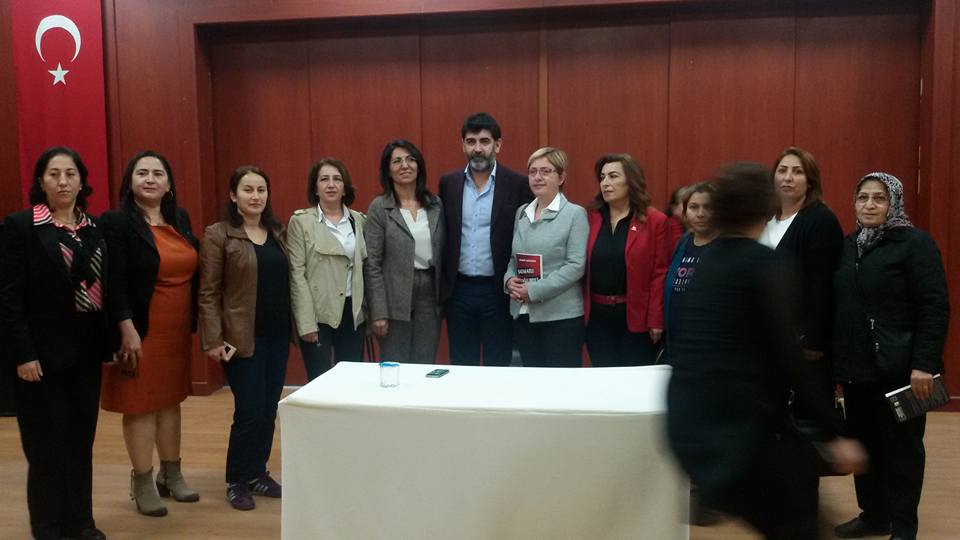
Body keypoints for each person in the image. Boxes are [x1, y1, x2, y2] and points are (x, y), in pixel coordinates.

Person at [666, 162, 866, 540]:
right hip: (739, 436)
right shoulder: (764, 264)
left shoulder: (703, 263)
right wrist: (834, 433)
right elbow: (789, 357)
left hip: (690, 426)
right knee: (798, 518)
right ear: (766, 207)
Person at [0, 147, 110, 540]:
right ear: (41, 182)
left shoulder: (94, 228)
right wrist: (23, 353)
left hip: (86, 353)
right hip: (40, 356)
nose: (63, 181)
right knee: (45, 444)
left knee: (80, 441)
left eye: (70, 174)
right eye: (53, 174)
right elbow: (8, 298)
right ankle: (47, 526)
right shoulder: (20, 226)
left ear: (82, 181)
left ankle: (80, 521)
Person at [832, 173, 949, 540]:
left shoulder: (915, 244)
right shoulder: (848, 245)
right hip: (858, 370)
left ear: (893, 203)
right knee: (865, 445)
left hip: (903, 371)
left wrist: (925, 364)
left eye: (879, 198)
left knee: (903, 451)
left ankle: (903, 527)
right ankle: (874, 516)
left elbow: (934, 306)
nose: (869, 205)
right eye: (863, 197)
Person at [100, 150, 200, 517]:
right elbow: (114, 281)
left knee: (171, 400)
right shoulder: (116, 222)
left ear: (169, 184)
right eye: (142, 173)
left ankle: (171, 474)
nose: (150, 179)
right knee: (140, 404)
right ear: (129, 182)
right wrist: (125, 328)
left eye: (158, 173)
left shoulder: (179, 218)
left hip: (176, 329)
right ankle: (142, 480)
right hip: (140, 329)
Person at [198, 166, 289, 511]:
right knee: (249, 410)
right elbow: (208, 292)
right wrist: (212, 339)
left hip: (277, 334)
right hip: (240, 338)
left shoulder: (277, 232)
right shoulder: (219, 234)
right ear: (233, 195)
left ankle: (257, 473)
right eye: (248, 190)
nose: (256, 196)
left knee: (268, 409)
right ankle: (237, 480)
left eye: (261, 190)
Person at [439, 112, 532, 367]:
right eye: (471, 142)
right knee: (462, 364)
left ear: (497, 145)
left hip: (498, 291)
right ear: (463, 145)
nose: (477, 148)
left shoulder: (517, 184)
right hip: (459, 291)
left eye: (484, 141)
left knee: (498, 364)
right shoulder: (449, 184)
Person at [759, 147, 844, 420]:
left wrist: (813, 339)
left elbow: (823, 285)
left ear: (810, 181)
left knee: (806, 417)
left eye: (797, 172)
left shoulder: (820, 220)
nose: (788, 177)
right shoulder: (764, 219)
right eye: (782, 171)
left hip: (803, 343)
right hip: (766, 336)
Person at [583, 153, 671, 367]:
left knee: (635, 379)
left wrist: (656, 319)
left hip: (636, 318)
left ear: (631, 181)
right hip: (597, 317)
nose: (605, 183)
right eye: (602, 177)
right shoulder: (590, 217)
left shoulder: (654, 221)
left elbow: (660, 273)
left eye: (613, 176)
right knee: (603, 379)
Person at [503, 147, 588, 367]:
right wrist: (509, 280)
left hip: (561, 318)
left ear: (561, 177)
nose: (538, 177)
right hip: (523, 314)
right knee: (532, 383)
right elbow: (514, 258)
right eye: (533, 172)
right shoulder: (522, 213)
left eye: (545, 171)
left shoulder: (575, 214)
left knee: (560, 385)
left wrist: (533, 290)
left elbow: (575, 266)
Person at [364, 140, 444, 363]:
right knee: (395, 362)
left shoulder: (435, 205)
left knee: (424, 362)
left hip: (429, 292)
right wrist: (378, 312)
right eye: (397, 161)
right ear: (388, 170)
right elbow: (372, 263)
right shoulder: (379, 207)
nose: (405, 165)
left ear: (419, 166)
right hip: (393, 294)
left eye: (410, 159)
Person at [288, 158, 367, 379]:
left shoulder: (359, 221)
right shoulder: (301, 222)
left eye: (337, 179)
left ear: (345, 187)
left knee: (351, 380)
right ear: (315, 188)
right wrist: (306, 323)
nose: (331, 185)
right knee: (319, 380)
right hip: (318, 314)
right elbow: (296, 274)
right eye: (324, 179)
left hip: (353, 313)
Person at [663, 182, 718, 352]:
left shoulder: (724, 246)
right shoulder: (683, 242)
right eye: (694, 207)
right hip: (677, 335)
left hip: (708, 339)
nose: (700, 214)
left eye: (707, 207)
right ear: (685, 212)